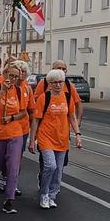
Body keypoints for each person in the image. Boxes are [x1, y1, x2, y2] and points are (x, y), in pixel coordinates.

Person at [29, 69, 82, 209]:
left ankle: (52, 195)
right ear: (49, 84)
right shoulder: (44, 98)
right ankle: (44, 194)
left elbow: (72, 117)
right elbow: (35, 120)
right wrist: (32, 140)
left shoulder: (67, 97)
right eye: (55, 82)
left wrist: (77, 134)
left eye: (60, 82)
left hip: (62, 139)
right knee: (50, 166)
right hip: (46, 138)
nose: (58, 85)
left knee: (58, 170)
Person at [0, 64, 27, 214]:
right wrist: (2, 91)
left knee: (13, 167)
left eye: (16, 76)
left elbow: (23, 113)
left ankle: (9, 200)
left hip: (15, 133)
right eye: (11, 76)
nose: (14, 79)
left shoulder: (20, 91)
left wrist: (12, 117)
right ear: (5, 74)